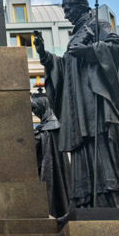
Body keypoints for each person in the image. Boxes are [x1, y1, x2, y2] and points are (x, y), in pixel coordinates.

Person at [33, 0, 119, 208]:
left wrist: (89, 51)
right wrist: (45, 56)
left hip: (95, 101)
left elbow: (115, 45)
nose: (66, 15)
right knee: (83, 147)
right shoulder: (76, 35)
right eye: (65, 11)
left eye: (68, 10)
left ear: (80, 7)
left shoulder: (97, 25)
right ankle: (88, 200)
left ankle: (113, 196)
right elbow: (66, 67)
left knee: (102, 141)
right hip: (78, 106)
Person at [31, 89, 71, 221]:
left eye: (36, 109)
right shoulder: (45, 128)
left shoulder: (53, 127)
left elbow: (41, 142)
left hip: (55, 172)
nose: (35, 113)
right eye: (33, 110)